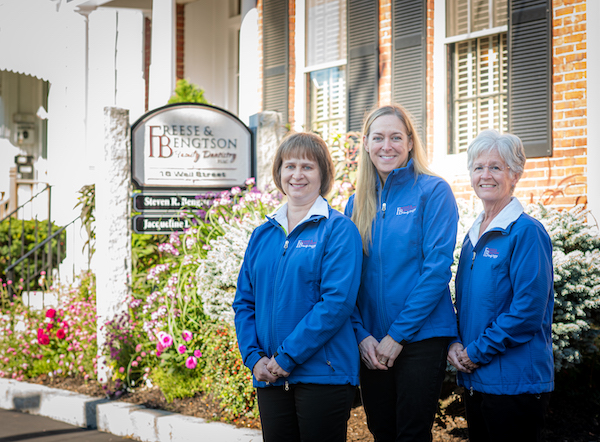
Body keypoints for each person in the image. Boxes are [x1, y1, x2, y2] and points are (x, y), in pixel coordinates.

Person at [233, 132, 363, 442]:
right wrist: (254, 358)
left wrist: (287, 357)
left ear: (323, 174)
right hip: (269, 375)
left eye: (307, 166)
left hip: (323, 374)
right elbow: (244, 303)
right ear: (279, 173)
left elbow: (337, 303)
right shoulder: (263, 234)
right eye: (289, 166)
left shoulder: (339, 230)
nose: (297, 175)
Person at [345, 104, 459, 441]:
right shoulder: (355, 203)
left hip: (420, 338)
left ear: (410, 142)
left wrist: (397, 335)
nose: (387, 146)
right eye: (378, 137)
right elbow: (345, 279)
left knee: (411, 434)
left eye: (396, 137)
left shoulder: (433, 191)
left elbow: (436, 271)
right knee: (381, 431)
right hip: (372, 343)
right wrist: (361, 335)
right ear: (365, 143)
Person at [447, 129, 554, 442]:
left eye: (496, 167)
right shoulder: (472, 236)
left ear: (515, 174)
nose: (485, 175)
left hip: (515, 384)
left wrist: (476, 352)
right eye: (478, 167)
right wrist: (454, 342)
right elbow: (463, 303)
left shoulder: (527, 232)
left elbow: (527, 311)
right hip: (476, 380)